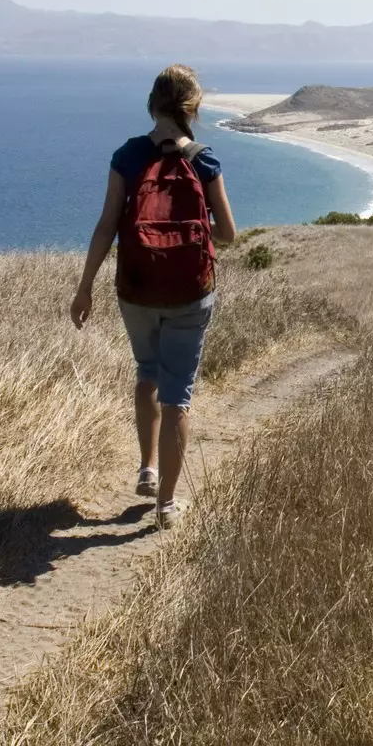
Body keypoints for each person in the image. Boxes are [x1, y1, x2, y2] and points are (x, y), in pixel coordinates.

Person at [69, 64, 238, 528]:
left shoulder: (127, 155)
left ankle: (146, 468)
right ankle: (165, 504)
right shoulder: (203, 159)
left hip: (136, 288)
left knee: (147, 372)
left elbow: (106, 225)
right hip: (190, 294)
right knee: (178, 393)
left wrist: (84, 288)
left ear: (152, 103)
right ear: (194, 108)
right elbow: (227, 233)